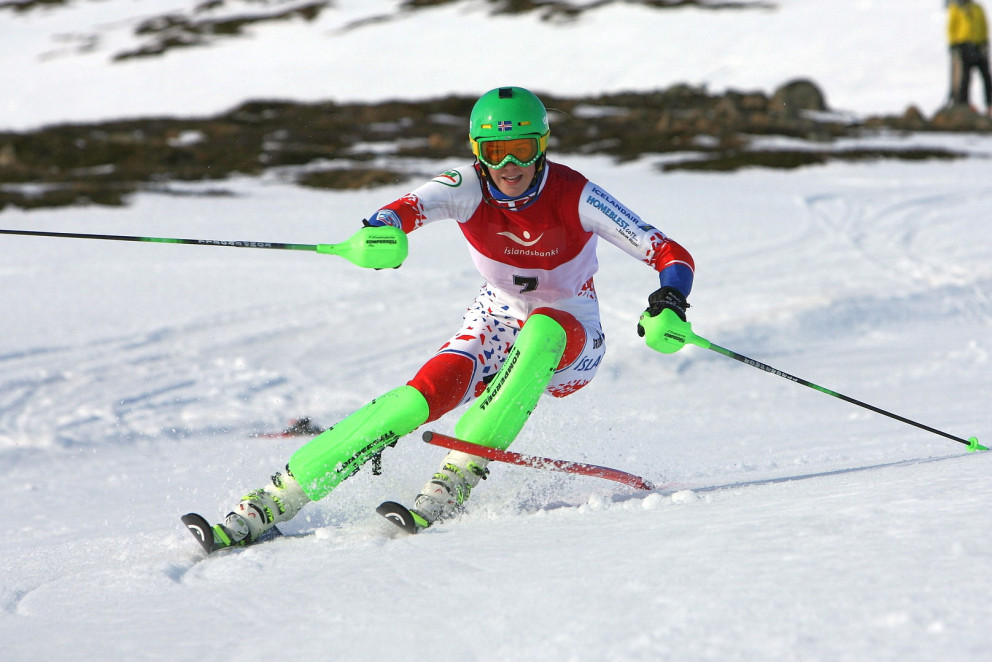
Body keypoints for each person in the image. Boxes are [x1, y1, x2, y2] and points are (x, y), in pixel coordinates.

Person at [182, 86, 695, 551]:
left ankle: (457, 476)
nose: (511, 164)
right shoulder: (466, 185)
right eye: (496, 152)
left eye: (524, 148)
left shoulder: (575, 193)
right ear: (477, 151)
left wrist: (669, 301)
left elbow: (670, 253)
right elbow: (405, 208)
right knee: (413, 400)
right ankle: (274, 499)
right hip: (497, 316)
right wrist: (380, 232)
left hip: (572, 334)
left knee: (543, 330)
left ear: (544, 146)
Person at [948, 0, 992, 114]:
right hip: (963, 45)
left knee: (986, 76)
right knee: (965, 77)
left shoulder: (977, 8)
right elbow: (951, 28)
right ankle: (963, 105)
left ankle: (990, 105)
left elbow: (984, 25)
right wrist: (953, 45)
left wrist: (985, 42)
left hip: (978, 45)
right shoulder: (956, 8)